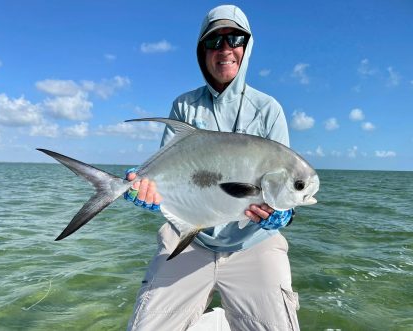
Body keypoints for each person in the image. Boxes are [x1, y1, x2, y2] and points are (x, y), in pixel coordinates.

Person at [125, 5, 300, 331]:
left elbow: (284, 179)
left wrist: (285, 214)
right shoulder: (184, 106)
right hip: (189, 239)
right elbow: (170, 171)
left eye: (234, 38)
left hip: (254, 243)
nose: (224, 49)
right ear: (201, 51)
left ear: (247, 47)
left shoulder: (268, 110)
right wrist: (146, 188)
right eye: (213, 42)